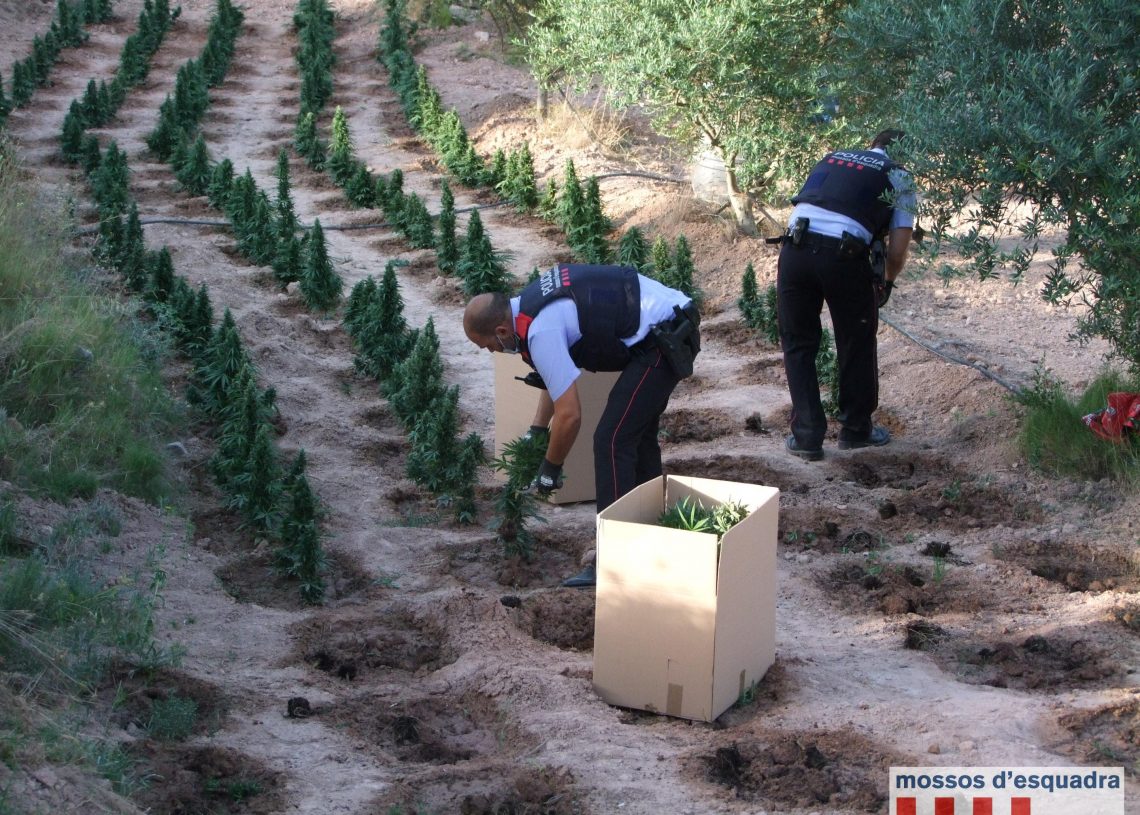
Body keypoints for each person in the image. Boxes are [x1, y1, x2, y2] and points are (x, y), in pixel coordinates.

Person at [463, 263, 700, 586]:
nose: (491, 351)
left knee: (612, 440)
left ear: (501, 332)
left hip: (665, 338)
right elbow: (555, 378)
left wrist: (550, 468)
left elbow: (570, 414)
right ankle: (651, 536)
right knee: (636, 438)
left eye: (487, 345)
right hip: (669, 323)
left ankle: (613, 564)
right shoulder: (529, 308)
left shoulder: (539, 330)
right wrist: (536, 430)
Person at [775, 129, 915, 461]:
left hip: (794, 250)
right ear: (905, 154)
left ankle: (807, 437)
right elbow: (897, 250)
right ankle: (855, 431)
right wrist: (887, 283)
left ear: (871, 145)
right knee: (855, 343)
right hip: (843, 256)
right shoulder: (900, 175)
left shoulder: (833, 156)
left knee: (798, 343)